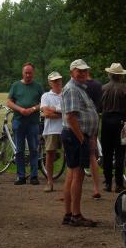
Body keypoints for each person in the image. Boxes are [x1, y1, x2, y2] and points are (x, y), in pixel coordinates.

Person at [61, 59, 98, 227]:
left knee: (72, 174)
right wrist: (82, 138)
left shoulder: (78, 88)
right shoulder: (72, 89)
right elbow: (70, 117)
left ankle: (69, 214)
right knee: (78, 175)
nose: (82, 73)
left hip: (75, 135)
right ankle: (75, 215)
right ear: (71, 73)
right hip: (75, 136)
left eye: (84, 70)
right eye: (79, 71)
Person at [100, 63, 126, 193]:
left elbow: (97, 106)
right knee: (120, 153)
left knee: (107, 153)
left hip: (105, 121)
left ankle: (107, 183)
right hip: (121, 121)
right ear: (121, 76)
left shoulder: (103, 88)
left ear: (110, 75)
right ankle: (119, 184)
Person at [7, 62, 44, 185]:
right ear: (22, 73)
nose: (28, 75)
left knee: (34, 149)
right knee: (19, 150)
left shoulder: (38, 86)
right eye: (26, 73)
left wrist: (33, 109)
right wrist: (20, 109)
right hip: (19, 121)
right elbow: (9, 102)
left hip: (33, 122)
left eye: (30, 73)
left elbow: (43, 103)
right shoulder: (16, 85)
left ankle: (34, 176)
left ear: (33, 73)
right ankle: (21, 176)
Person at [40, 71, 63, 193]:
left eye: (58, 80)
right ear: (50, 83)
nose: (57, 82)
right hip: (51, 130)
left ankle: (71, 181)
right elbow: (46, 114)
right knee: (50, 155)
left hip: (66, 128)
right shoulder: (46, 96)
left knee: (70, 155)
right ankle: (49, 181)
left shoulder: (66, 93)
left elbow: (71, 111)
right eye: (54, 81)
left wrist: (55, 110)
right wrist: (63, 113)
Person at [85, 71, 103, 198]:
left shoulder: (78, 86)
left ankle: (74, 187)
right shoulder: (98, 85)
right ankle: (96, 188)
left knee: (76, 157)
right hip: (94, 121)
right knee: (92, 154)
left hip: (79, 123)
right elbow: (100, 106)